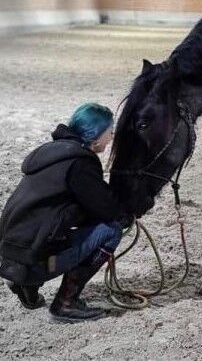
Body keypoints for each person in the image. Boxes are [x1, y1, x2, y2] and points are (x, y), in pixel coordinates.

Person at [0, 103, 133, 323]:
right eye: (110, 132)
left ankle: (26, 282)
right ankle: (65, 303)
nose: (111, 138)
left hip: (11, 253)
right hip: (32, 259)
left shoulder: (52, 154)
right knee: (111, 230)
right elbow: (109, 209)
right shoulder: (80, 163)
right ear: (96, 135)